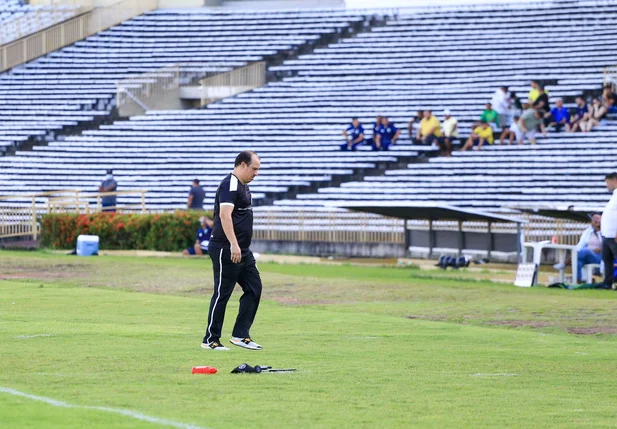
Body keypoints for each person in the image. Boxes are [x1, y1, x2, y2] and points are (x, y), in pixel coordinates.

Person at [202, 151, 263, 351]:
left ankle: (240, 335)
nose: (256, 173)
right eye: (254, 169)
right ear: (243, 165)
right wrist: (234, 245)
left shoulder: (245, 186)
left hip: (243, 250)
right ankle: (210, 340)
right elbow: (225, 216)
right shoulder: (230, 184)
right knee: (222, 293)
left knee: (254, 288)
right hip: (225, 248)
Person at [553, 214, 602, 282]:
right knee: (577, 259)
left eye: (599, 222)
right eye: (595, 222)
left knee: (585, 251)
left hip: (600, 257)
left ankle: (565, 263)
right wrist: (575, 252)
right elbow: (579, 246)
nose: (597, 224)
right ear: (592, 222)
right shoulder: (588, 231)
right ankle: (578, 280)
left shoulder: (605, 232)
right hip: (587, 254)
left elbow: (606, 246)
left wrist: (599, 231)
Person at [601, 172, 617, 290]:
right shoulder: (614, 195)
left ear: (614, 181)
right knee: (607, 260)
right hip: (607, 234)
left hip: (614, 235)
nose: (607, 185)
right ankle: (607, 283)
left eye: (607, 182)